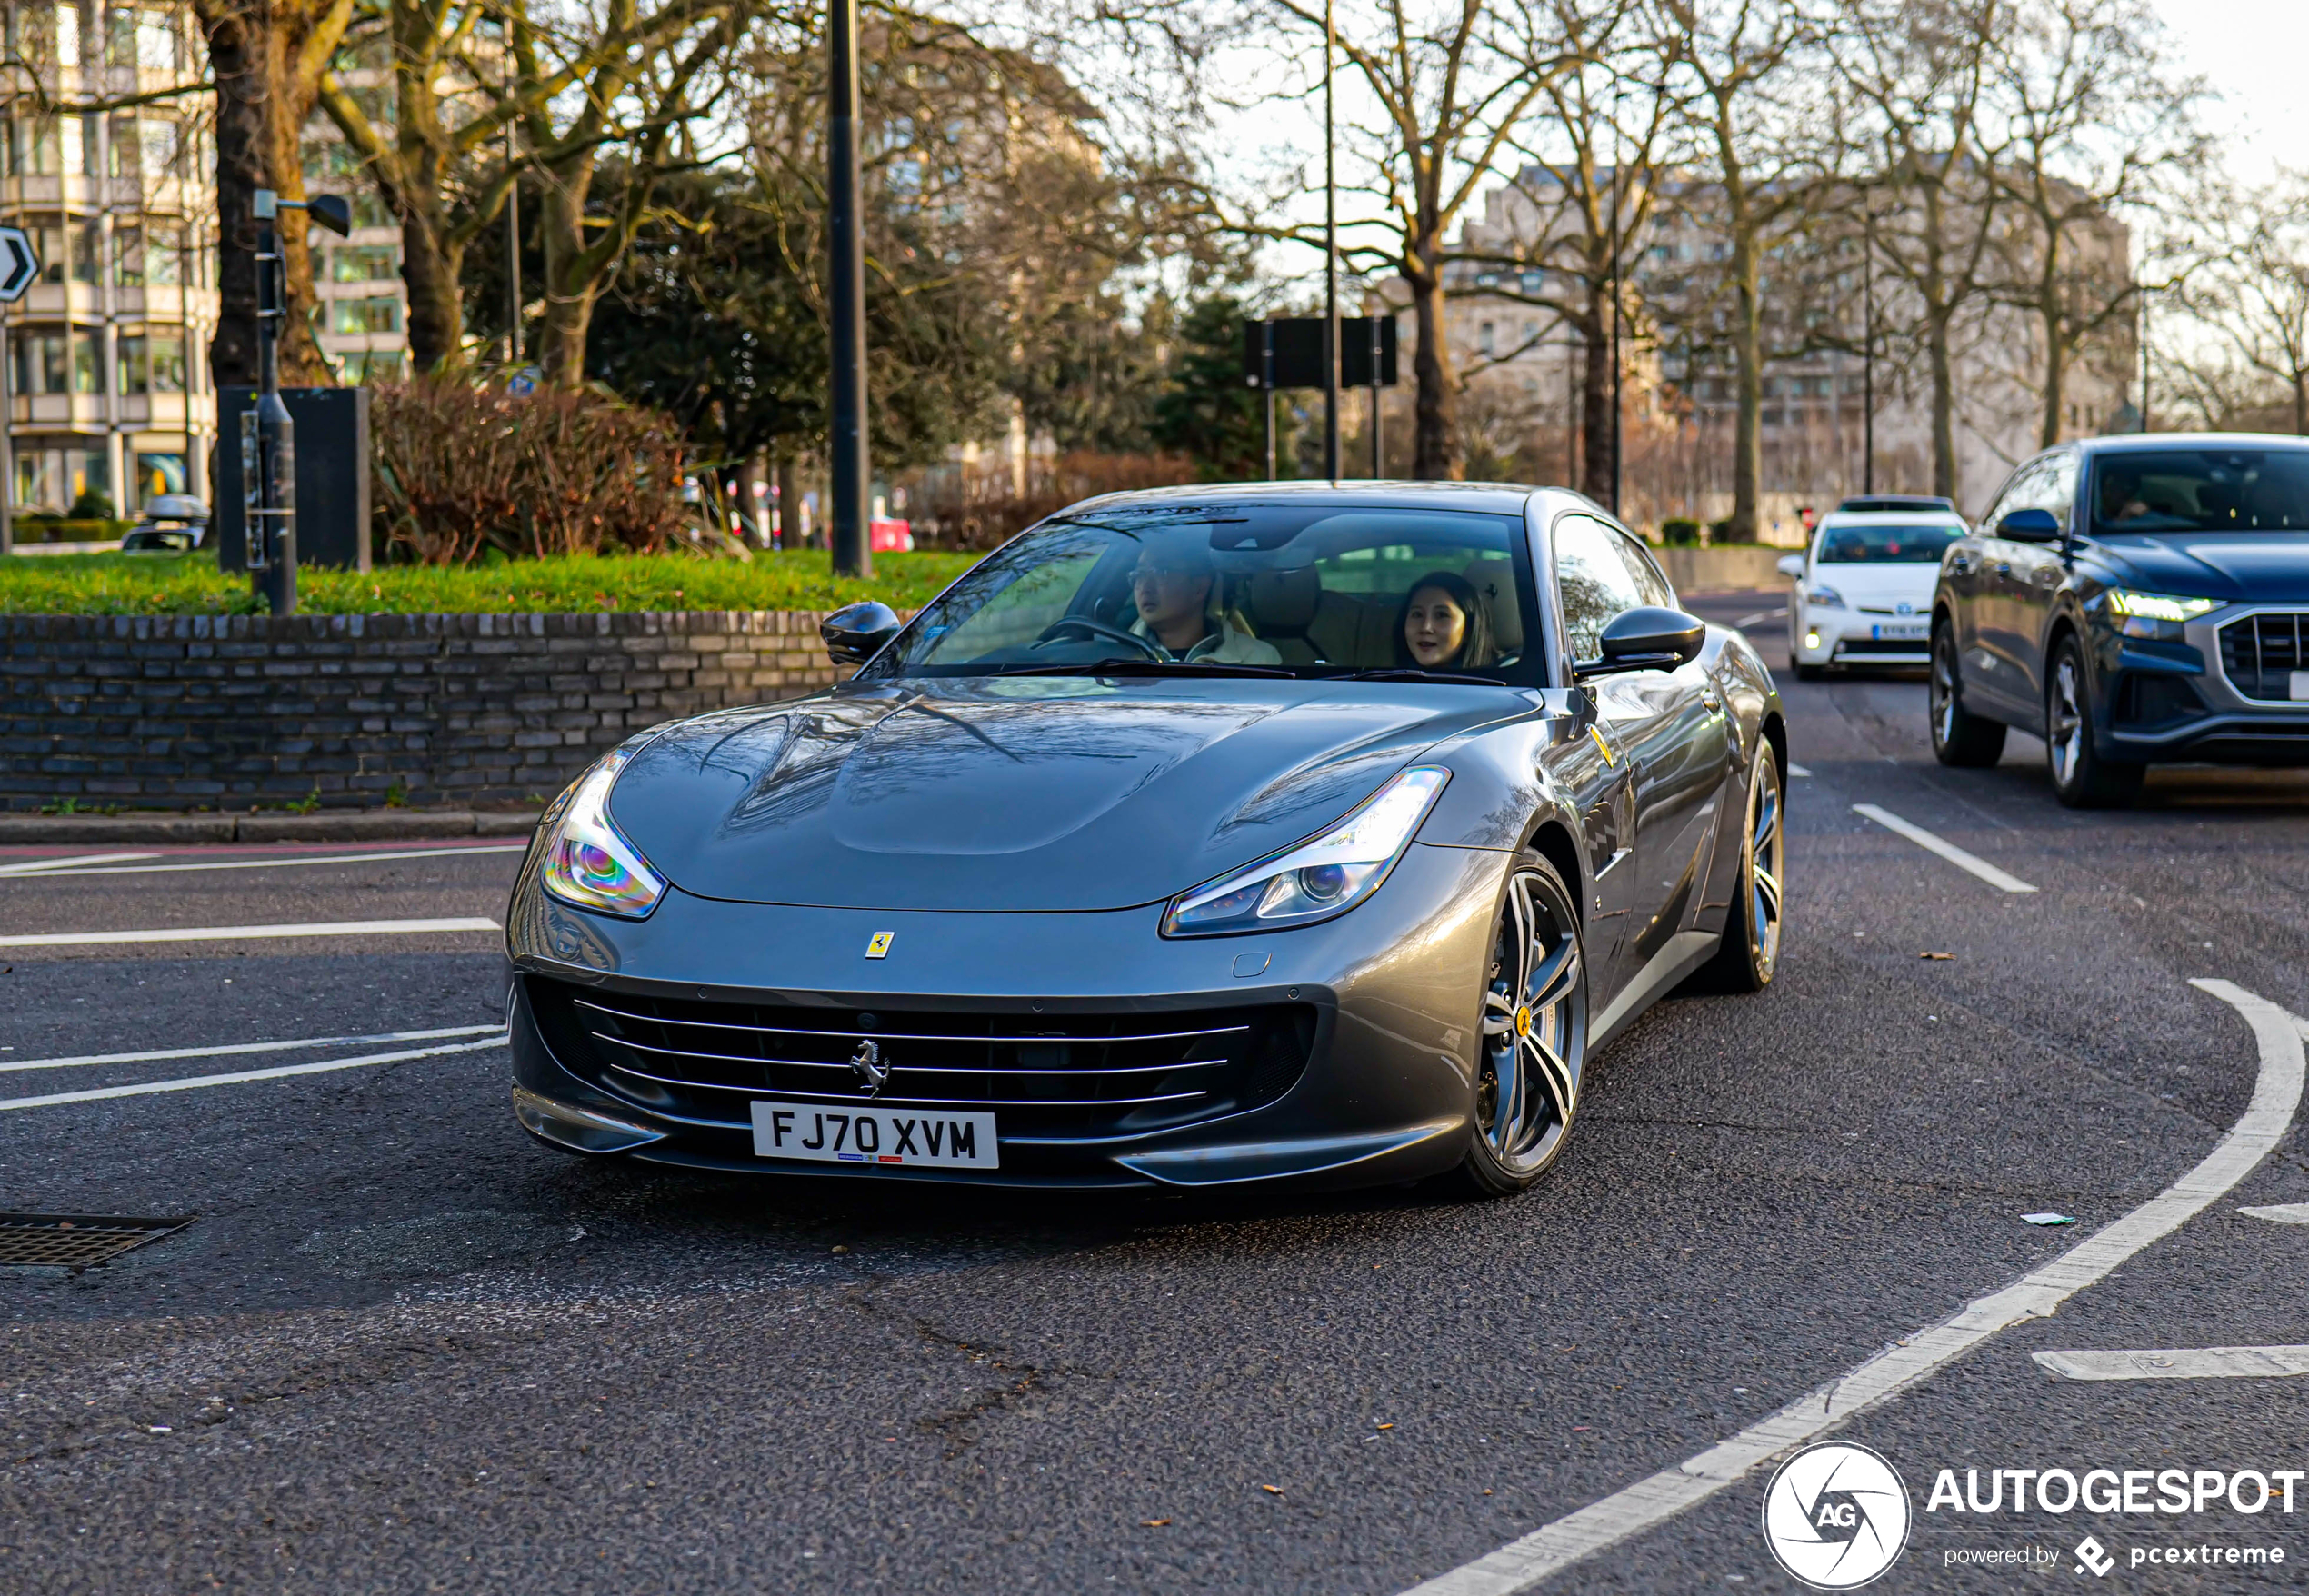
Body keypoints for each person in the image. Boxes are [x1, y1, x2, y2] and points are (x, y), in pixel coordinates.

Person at [1127, 540, 1283, 664]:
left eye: (1160, 572)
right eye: (1139, 575)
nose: (1145, 587)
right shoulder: (1114, 657)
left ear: (1200, 587)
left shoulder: (1258, 659)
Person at [1395, 572, 1497, 671]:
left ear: (1469, 629)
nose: (1425, 628)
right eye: (1417, 615)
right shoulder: (1389, 682)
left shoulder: (1498, 683)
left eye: (1441, 615)